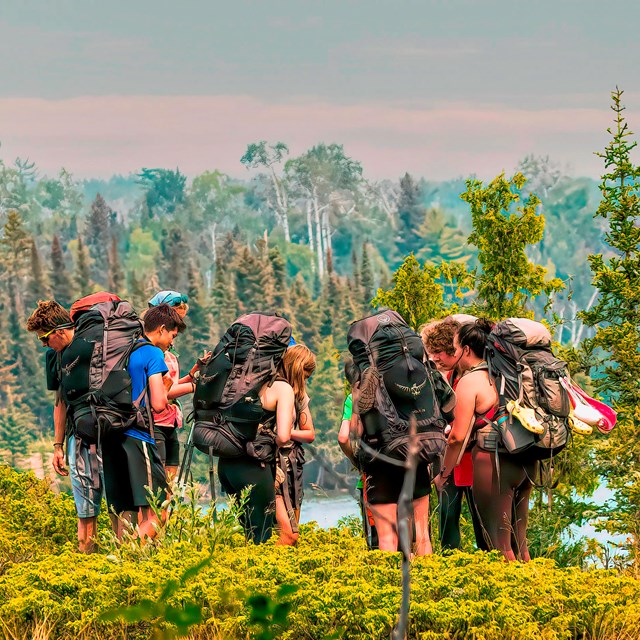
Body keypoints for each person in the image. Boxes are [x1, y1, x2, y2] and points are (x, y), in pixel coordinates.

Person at [433, 320, 536, 561]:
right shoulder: (508, 374)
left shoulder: (471, 381)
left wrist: (443, 474)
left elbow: (457, 437)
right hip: (525, 457)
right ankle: (533, 590)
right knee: (520, 542)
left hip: (494, 463)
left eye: (456, 348)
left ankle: (509, 594)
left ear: (466, 350)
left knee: (497, 544)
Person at [102, 303, 185, 540]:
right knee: (159, 510)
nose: (171, 342)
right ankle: (130, 553)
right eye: (172, 335)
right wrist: (167, 390)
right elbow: (159, 403)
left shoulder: (126, 349)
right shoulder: (153, 353)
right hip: (139, 436)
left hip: (114, 435)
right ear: (161, 329)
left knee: (125, 511)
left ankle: (120, 566)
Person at [26, 300, 102, 553]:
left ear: (59, 331)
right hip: (77, 435)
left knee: (116, 505)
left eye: (44, 339)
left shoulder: (94, 345)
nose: (45, 345)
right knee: (84, 509)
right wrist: (57, 446)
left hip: (108, 431)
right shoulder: (55, 356)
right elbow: (60, 402)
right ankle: (86, 560)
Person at [421, 317, 487, 552]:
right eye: (431, 352)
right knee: (447, 524)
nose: (434, 357)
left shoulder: (476, 378)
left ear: (456, 350)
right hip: (450, 458)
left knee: (483, 526)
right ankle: (452, 568)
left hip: (472, 458)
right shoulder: (446, 378)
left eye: (439, 351)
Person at [217, 372, 296, 545]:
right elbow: (284, 437)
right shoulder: (280, 388)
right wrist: (269, 439)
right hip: (254, 465)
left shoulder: (232, 380)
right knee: (262, 536)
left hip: (226, 464)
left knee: (249, 532)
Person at [146, 290, 208, 479]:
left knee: (169, 482)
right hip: (155, 421)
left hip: (170, 420)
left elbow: (170, 384)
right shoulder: (153, 352)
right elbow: (164, 390)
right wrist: (196, 386)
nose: (178, 330)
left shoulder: (169, 352)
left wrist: (191, 374)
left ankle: (167, 509)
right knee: (157, 480)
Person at [273, 344, 316, 546]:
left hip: (292, 461)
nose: (306, 381)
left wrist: (286, 432)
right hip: (272, 461)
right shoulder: (274, 387)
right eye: (305, 376)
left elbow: (309, 433)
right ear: (297, 369)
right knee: (283, 528)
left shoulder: (299, 396)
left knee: (293, 524)